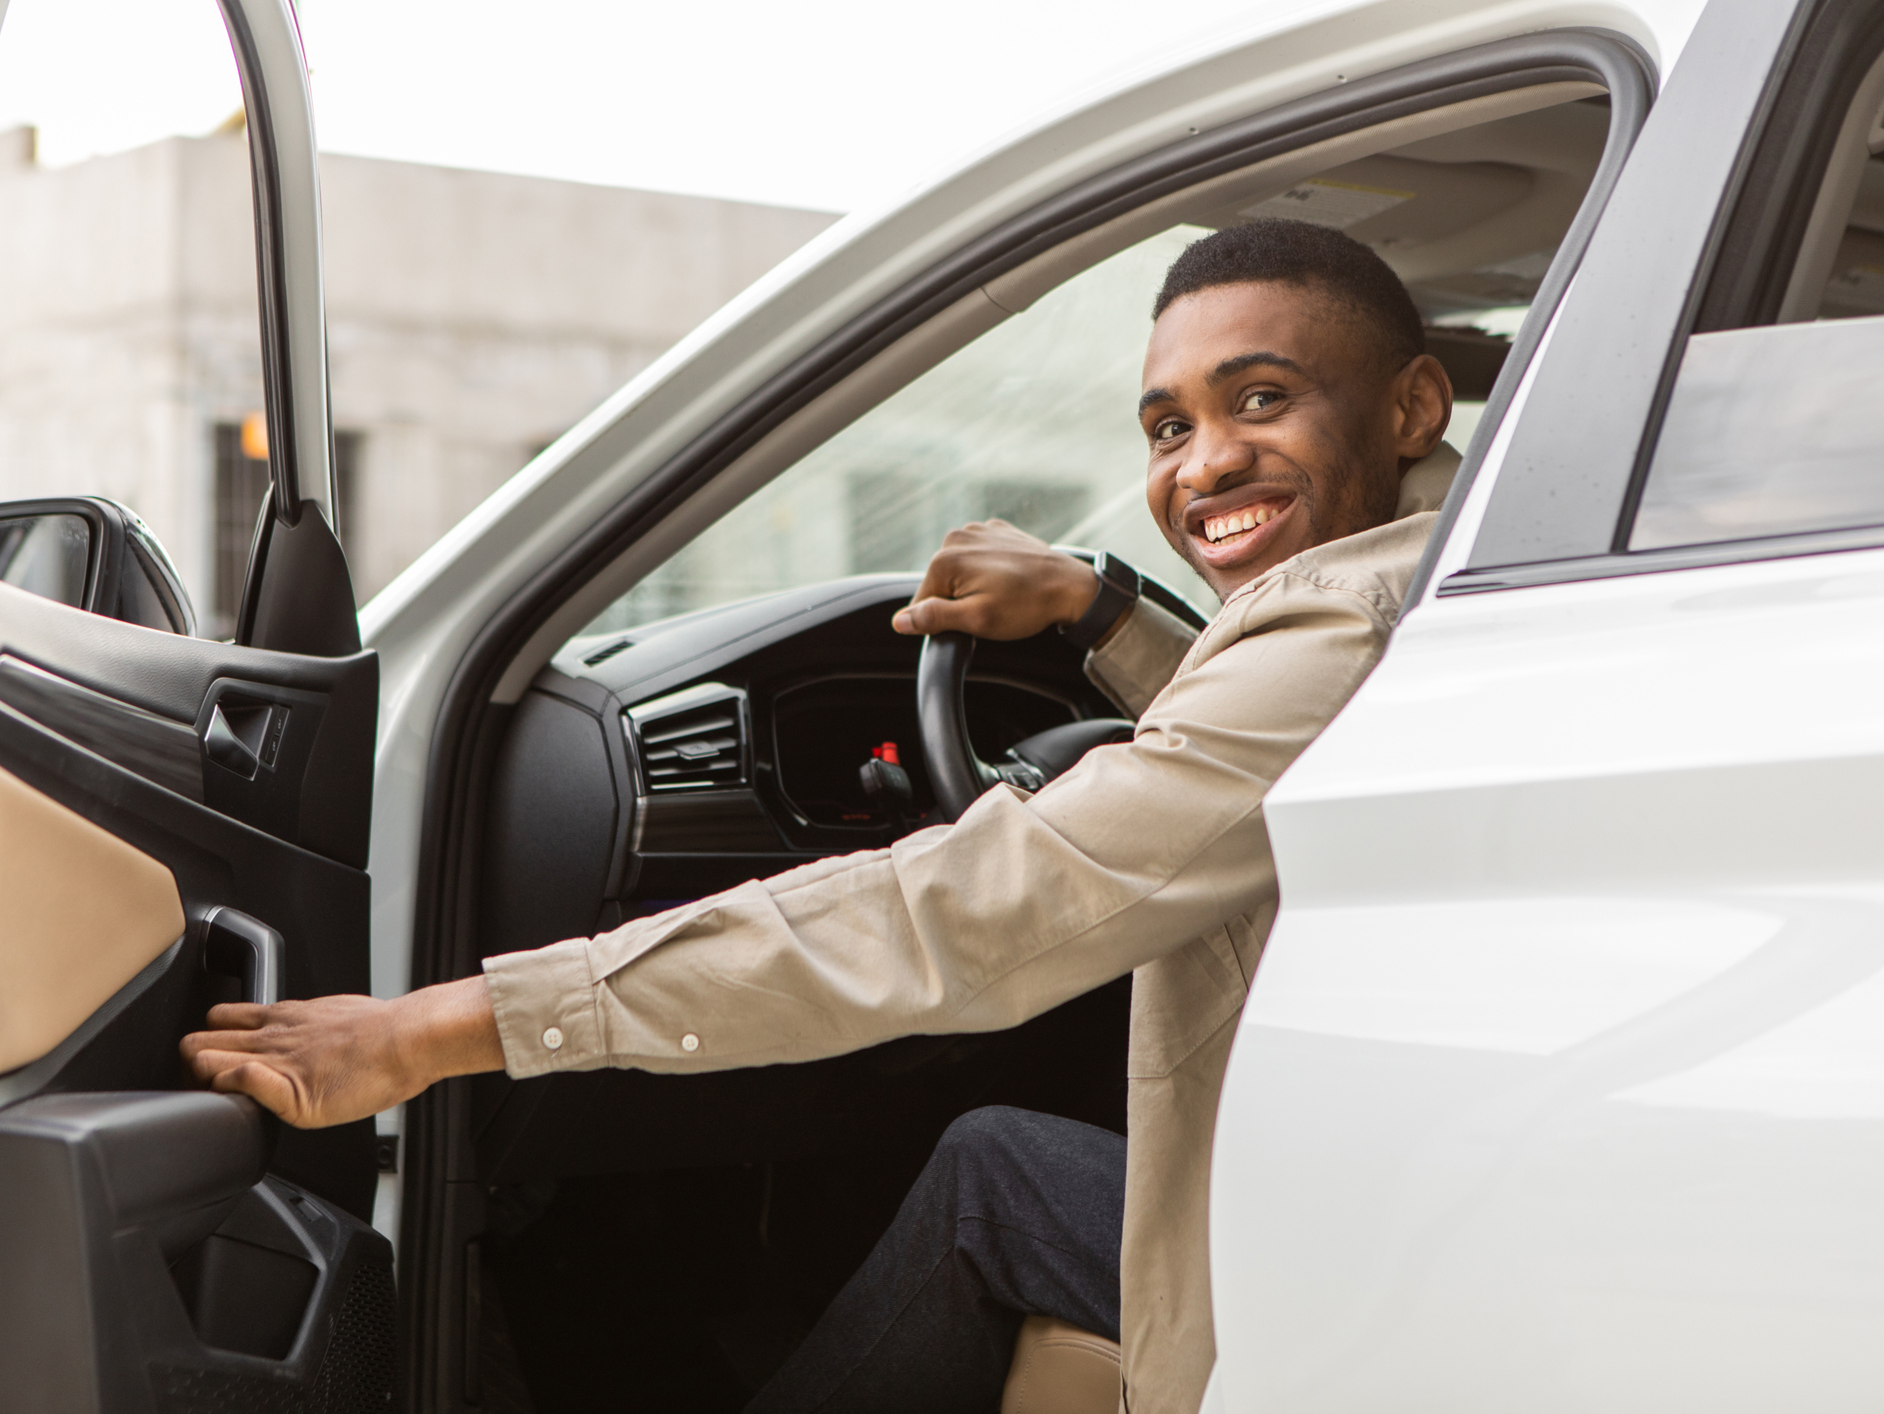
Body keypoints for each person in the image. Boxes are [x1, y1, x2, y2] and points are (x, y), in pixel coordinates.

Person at [182, 217, 1458, 1414]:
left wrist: (438, 1028)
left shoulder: (1349, 616)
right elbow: (1258, 741)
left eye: (1260, 400)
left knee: (989, 1181)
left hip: (1362, 1254)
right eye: (1167, 426)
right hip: (1421, 1195)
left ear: (1410, 405)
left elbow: (957, 909)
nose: (1207, 461)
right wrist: (1096, 610)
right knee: (996, 1150)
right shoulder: (1440, 580)